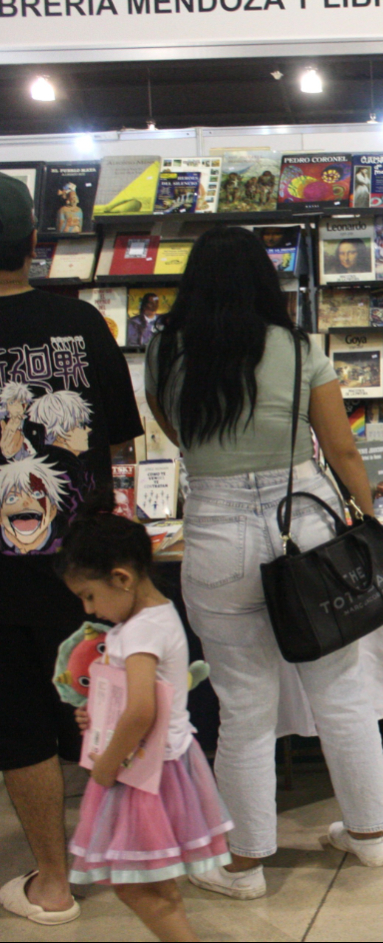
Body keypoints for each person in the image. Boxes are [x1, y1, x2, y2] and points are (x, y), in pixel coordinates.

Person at [145, 226, 383, 901]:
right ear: (265, 280)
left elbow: (174, 427)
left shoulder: (166, 349)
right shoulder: (300, 348)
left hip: (215, 527)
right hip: (304, 520)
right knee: (341, 688)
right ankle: (371, 835)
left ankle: (247, 861)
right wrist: (369, 518)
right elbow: (341, 449)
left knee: (244, 705)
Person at [0, 172, 143, 928]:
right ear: (33, 243)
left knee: (17, 720)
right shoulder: (83, 322)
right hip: (82, 566)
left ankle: (53, 883)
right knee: (100, 704)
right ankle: (131, 861)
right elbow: (121, 436)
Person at [56, 494, 232, 943]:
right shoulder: (157, 615)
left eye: (90, 596)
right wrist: (96, 719)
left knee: (136, 885)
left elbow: (139, 710)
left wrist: (105, 764)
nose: (89, 611)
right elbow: (133, 700)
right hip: (165, 766)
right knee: (152, 883)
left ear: (122, 578)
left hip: (142, 775)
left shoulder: (139, 632)